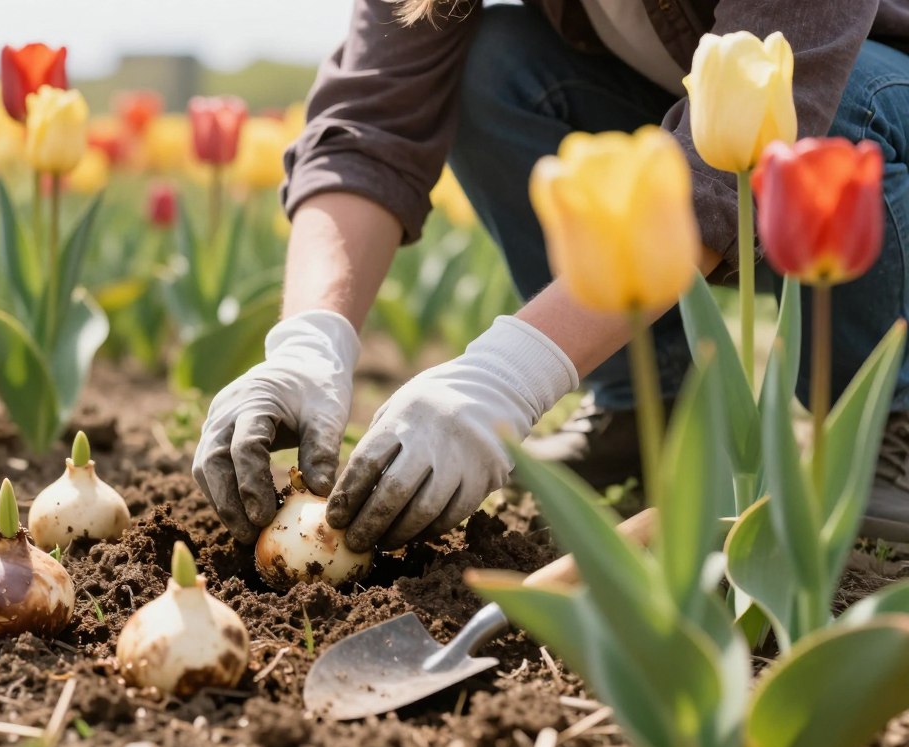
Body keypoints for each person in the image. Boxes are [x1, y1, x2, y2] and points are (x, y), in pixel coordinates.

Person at [192, 0, 909, 552]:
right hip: (680, 114)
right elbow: (370, 123)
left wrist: (509, 373)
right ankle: (645, 408)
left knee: (821, 117)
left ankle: (889, 419)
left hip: (876, 92)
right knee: (492, 67)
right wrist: (309, 343)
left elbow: (751, 147)